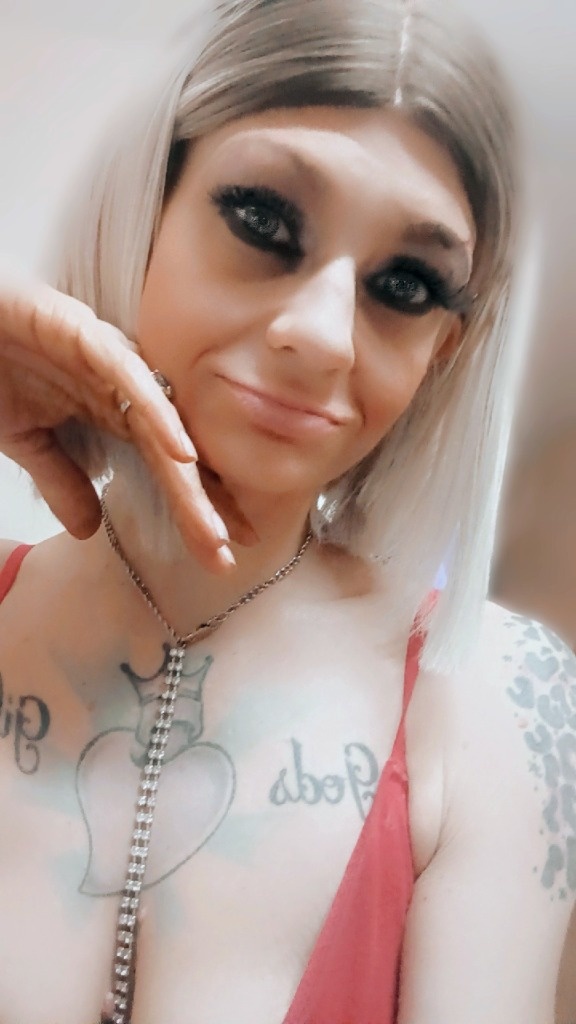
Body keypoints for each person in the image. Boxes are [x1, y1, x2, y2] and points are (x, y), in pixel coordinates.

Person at [0, 1, 574, 1021]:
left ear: (441, 351)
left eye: (406, 284)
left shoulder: (493, 703)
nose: (323, 336)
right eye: (263, 221)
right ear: (148, 204)